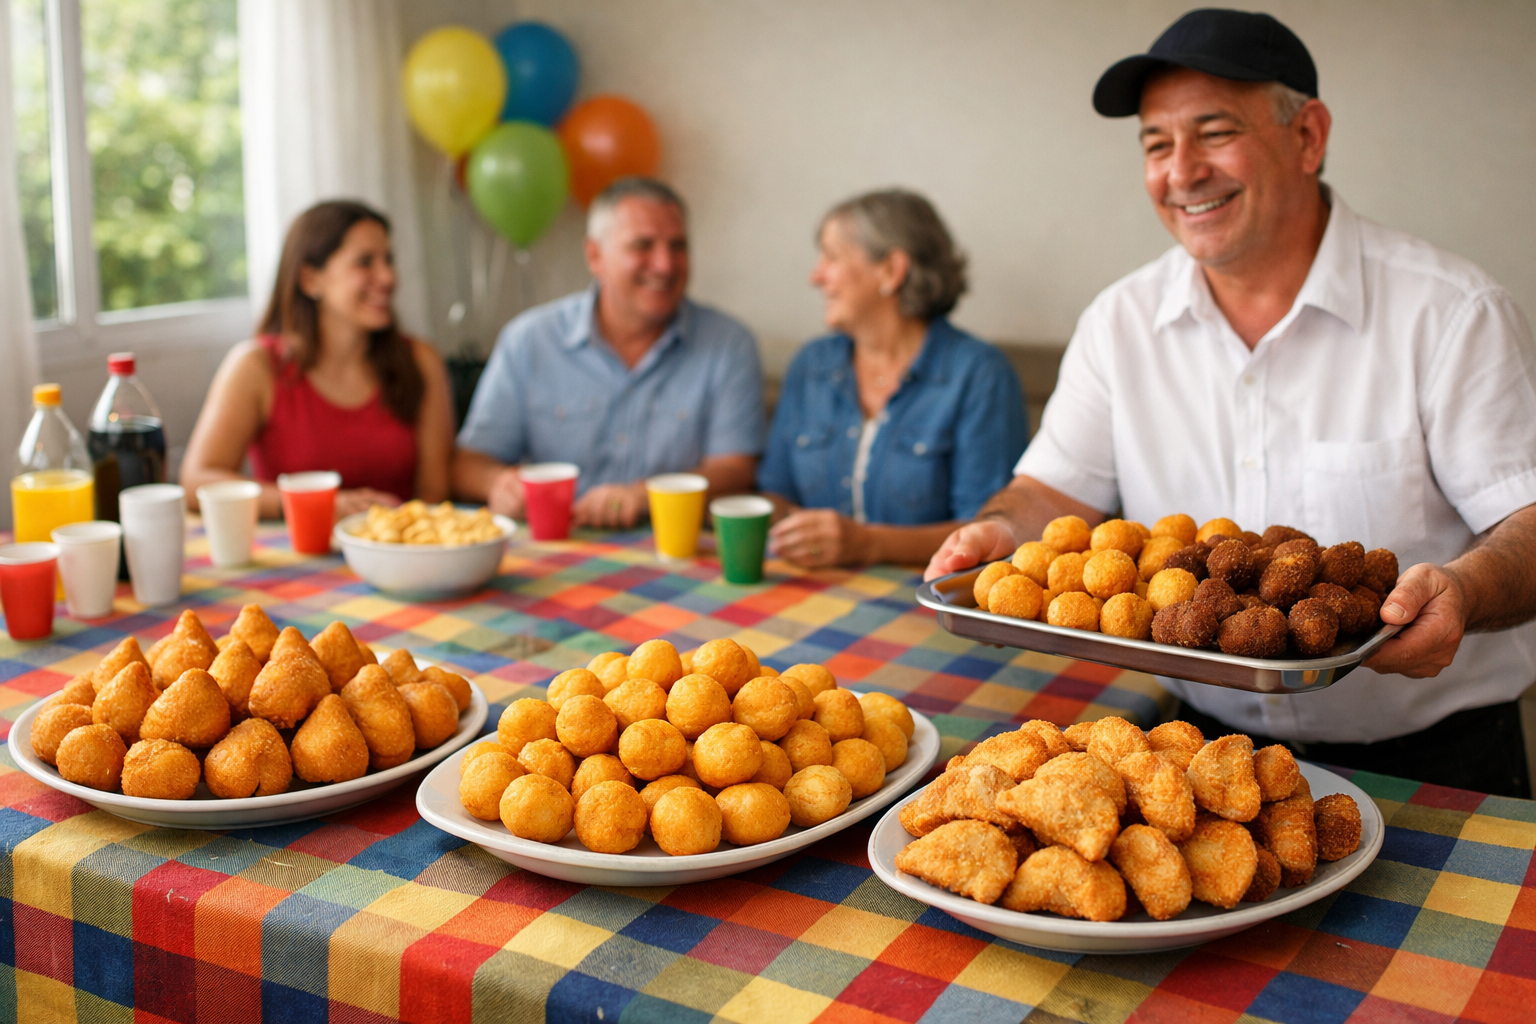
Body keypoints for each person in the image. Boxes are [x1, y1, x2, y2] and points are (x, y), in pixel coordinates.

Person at [925, 9, 1536, 795]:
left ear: (1308, 136)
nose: (1181, 172)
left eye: (1214, 133)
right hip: (1200, 751)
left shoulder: (1451, 312)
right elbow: (1051, 492)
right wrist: (1001, 531)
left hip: (1435, 760)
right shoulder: (1120, 321)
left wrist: (1465, 591)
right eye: (1156, 144)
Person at [452, 177, 764, 528]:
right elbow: (468, 464)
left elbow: (736, 470)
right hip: (554, 544)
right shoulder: (529, 340)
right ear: (595, 255)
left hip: (671, 546)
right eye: (643, 245)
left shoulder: (729, 344)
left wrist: (644, 495)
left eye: (678, 246)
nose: (665, 264)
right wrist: (500, 485)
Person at [759, 190, 1027, 567]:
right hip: (812, 584)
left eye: (831, 256)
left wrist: (869, 544)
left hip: (926, 591)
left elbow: (990, 531)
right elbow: (776, 491)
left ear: (891, 270)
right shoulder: (811, 364)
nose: (815, 276)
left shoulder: (981, 375)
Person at [182, 200, 454, 520]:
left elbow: (434, 493)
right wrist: (313, 504)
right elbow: (197, 481)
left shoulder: (421, 361)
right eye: (365, 262)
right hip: (294, 548)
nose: (388, 277)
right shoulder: (255, 366)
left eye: (389, 260)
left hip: (396, 546)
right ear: (311, 279)